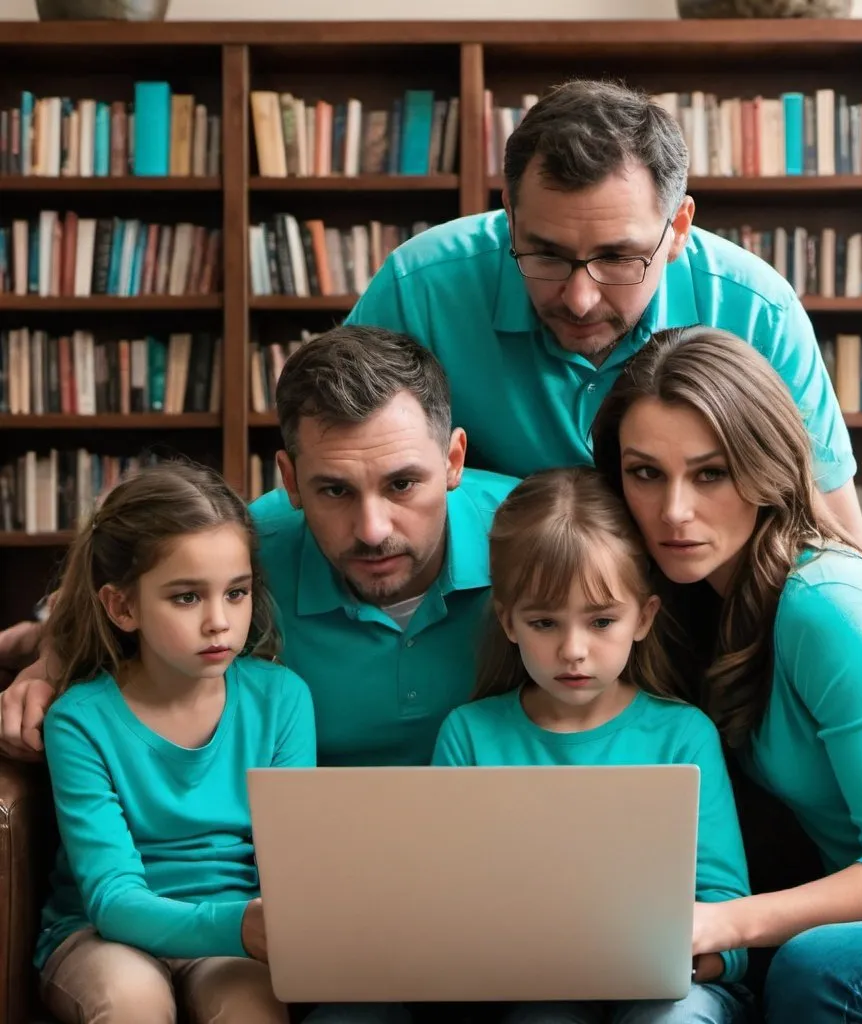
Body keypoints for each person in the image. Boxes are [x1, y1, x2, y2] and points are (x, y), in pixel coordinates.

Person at [589, 325, 862, 1023]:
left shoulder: (826, 606)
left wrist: (724, 923)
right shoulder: (697, 605)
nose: (674, 511)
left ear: (765, 469)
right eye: (646, 473)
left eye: (711, 473)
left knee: (818, 969)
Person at [345, 79, 862, 550]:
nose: (579, 299)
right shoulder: (419, 289)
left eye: (618, 259)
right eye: (546, 254)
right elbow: (333, 470)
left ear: (678, 228)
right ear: (510, 215)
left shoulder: (759, 311)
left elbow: (834, 536)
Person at [0, 325, 519, 769]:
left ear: (453, 460)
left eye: (402, 484)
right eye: (334, 490)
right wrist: (47, 666)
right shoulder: (245, 545)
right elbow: (117, 602)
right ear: (290, 480)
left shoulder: (530, 533)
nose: (372, 529)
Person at [431, 466, 753, 1024]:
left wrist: (677, 961)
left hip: (671, 992)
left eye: (602, 621)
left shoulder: (682, 736)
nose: (573, 650)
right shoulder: (469, 735)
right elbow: (442, 906)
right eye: (544, 623)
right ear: (509, 623)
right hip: (531, 990)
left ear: (643, 618)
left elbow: (729, 919)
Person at [32, 461, 317, 1024]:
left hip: (237, 935)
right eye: (187, 598)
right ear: (123, 607)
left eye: (236, 593)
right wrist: (237, 925)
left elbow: (294, 864)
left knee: (249, 1011)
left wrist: (255, 927)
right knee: (132, 1002)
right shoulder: (80, 721)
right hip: (101, 935)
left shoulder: (283, 700)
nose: (219, 622)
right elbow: (111, 899)